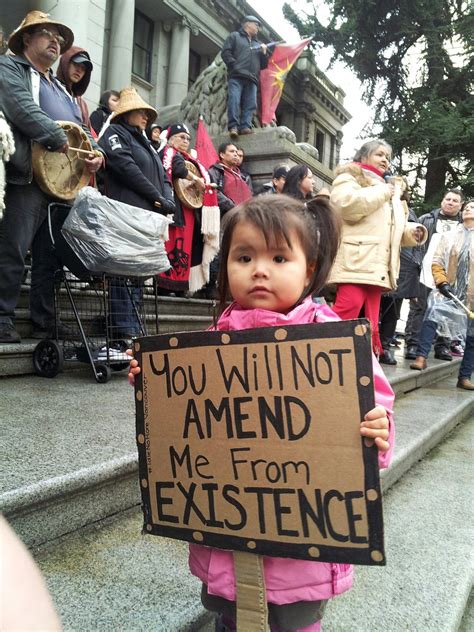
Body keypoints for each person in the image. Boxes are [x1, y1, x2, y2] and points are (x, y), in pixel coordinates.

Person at [129, 193, 394, 632]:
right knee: (229, 619)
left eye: (278, 258)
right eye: (244, 256)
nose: (259, 270)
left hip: (300, 552)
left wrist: (378, 431)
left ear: (309, 270)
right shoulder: (208, 343)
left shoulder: (334, 341)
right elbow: (184, 420)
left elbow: (377, 404)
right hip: (227, 538)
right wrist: (154, 386)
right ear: (225, 266)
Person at [0, 10, 103, 343]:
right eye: (47, 35)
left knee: (51, 256)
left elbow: (82, 130)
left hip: (61, 185)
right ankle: (2, 318)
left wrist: (92, 155)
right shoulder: (9, 67)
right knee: (13, 248)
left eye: (59, 39)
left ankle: (44, 320)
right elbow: (20, 108)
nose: (55, 43)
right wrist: (55, 136)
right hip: (26, 177)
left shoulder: (60, 87)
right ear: (27, 39)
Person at [328, 139, 427, 355]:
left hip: (377, 264)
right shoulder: (349, 177)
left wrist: (412, 233)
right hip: (356, 259)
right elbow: (346, 206)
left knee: (371, 320)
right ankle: (328, 355)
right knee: (347, 309)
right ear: (364, 156)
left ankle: (364, 364)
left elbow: (390, 226)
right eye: (380, 154)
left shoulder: (386, 188)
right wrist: (386, 191)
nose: (385, 160)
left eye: (388, 157)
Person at [98, 87, 175, 337]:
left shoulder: (147, 144)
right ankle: (122, 327)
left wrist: (167, 197)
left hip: (147, 217)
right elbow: (126, 168)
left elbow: (163, 175)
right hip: (125, 213)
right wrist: (157, 198)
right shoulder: (114, 133)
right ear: (127, 113)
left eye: (146, 113)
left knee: (139, 272)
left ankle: (134, 322)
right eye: (140, 112)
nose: (145, 117)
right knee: (123, 270)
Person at [410, 199, 473, 390]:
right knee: (432, 319)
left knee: (472, 336)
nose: (470, 209)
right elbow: (437, 261)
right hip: (448, 290)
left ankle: (464, 377)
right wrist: (441, 282)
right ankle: (421, 357)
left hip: (471, 296)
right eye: (468, 207)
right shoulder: (449, 236)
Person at [157, 123, 220, 295]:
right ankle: (165, 285)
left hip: (189, 210)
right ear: (171, 139)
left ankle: (180, 286)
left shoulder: (190, 159)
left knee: (185, 247)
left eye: (188, 138)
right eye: (182, 137)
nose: (186, 141)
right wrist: (195, 178)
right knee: (171, 244)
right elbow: (177, 168)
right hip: (173, 208)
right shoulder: (168, 154)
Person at [404, 189, 464, 361]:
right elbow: (414, 245)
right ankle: (413, 344)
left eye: (455, 201)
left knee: (446, 310)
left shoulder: (463, 227)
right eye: (448, 199)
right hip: (424, 270)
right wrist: (415, 265)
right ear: (442, 201)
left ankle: (443, 346)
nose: (450, 202)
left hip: (450, 275)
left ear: (460, 206)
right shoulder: (426, 220)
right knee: (419, 308)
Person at [221, 15, 271, 138]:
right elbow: (226, 52)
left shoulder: (258, 44)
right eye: (256, 25)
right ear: (247, 24)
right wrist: (234, 65)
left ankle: (245, 126)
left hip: (252, 78)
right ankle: (233, 126)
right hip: (237, 75)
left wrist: (264, 53)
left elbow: (264, 65)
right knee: (234, 99)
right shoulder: (235, 36)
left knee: (251, 104)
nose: (257, 28)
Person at [208, 142, 253, 216]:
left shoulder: (242, 175)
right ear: (222, 155)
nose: (236, 154)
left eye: (236, 152)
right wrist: (233, 207)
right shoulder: (215, 172)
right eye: (232, 151)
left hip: (245, 216)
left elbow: (250, 193)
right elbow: (215, 192)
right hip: (226, 216)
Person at [56, 45, 93, 129]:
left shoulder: (81, 103)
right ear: (66, 63)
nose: (79, 70)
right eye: (76, 64)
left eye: (83, 68)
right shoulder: (49, 85)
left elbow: (87, 133)